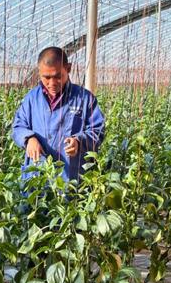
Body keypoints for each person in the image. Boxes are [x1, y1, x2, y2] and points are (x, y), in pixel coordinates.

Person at [11, 46, 105, 187]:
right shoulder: (31, 98)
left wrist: (79, 142)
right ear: (39, 72)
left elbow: (98, 130)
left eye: (57, 76)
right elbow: (18, 126)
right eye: (46, 77)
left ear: (68, 68)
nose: (52, 83)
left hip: (72, 178)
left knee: (68, 205)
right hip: (37, 177)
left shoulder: (84, 99)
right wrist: (28, 138)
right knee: (37, 204)